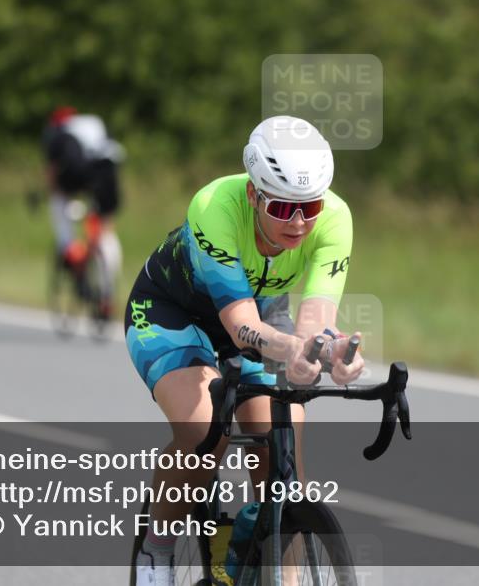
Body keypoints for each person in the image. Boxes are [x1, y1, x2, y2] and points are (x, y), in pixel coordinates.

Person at [125, 115, 364, 586]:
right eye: (281, 209)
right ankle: (156, 550)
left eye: (309, 207)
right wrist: (292, 346)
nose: (298, 222)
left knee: (283, 448)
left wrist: (330, 350)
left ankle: (271, 570)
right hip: (174, 313)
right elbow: (240, 328)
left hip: (263, 312)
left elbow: (315, 323)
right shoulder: (215, 204)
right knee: (204, 433)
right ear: (254, 194)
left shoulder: (335, 218)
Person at [42, 107, 125, 319]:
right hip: (107, 171)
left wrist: (50, 193)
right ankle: (107, 291)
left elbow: (53, 173)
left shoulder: (57, 133)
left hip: (75, 171)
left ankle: (70, 248)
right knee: (105, 227)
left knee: (60, 204)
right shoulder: (95, 121)